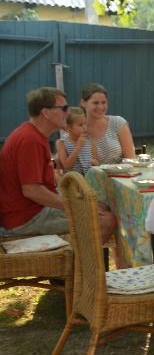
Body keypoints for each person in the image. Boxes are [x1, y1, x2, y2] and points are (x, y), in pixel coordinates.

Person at [0, 87, 116, 243]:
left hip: (32, 210)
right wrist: (73, 204)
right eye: (64, 108)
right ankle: (80, 266)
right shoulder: (30, 140)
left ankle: (77, 261)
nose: (68, 113)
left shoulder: (33, 135)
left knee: (100, 205)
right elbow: (32, 191)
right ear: (46, 113)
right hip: (26, 218)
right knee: (106, 221)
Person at [81, 83, 135, 164]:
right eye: (95, 103)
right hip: (85, 176)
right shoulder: (75, 126)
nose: (100, 107)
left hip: (119, 175)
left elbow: (130, 160)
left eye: (104, 102)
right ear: (83, 103)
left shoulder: (118, 123)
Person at [56, 107, 98, 174]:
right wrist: (78, 146)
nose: (84, 127)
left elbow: (96, 161)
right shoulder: (61, 143)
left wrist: (95, 162)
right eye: (80, 125)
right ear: (69, 127)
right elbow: (67, 166)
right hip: (72, 181)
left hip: (89, 180)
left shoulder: (90, 141)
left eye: (85, 123)